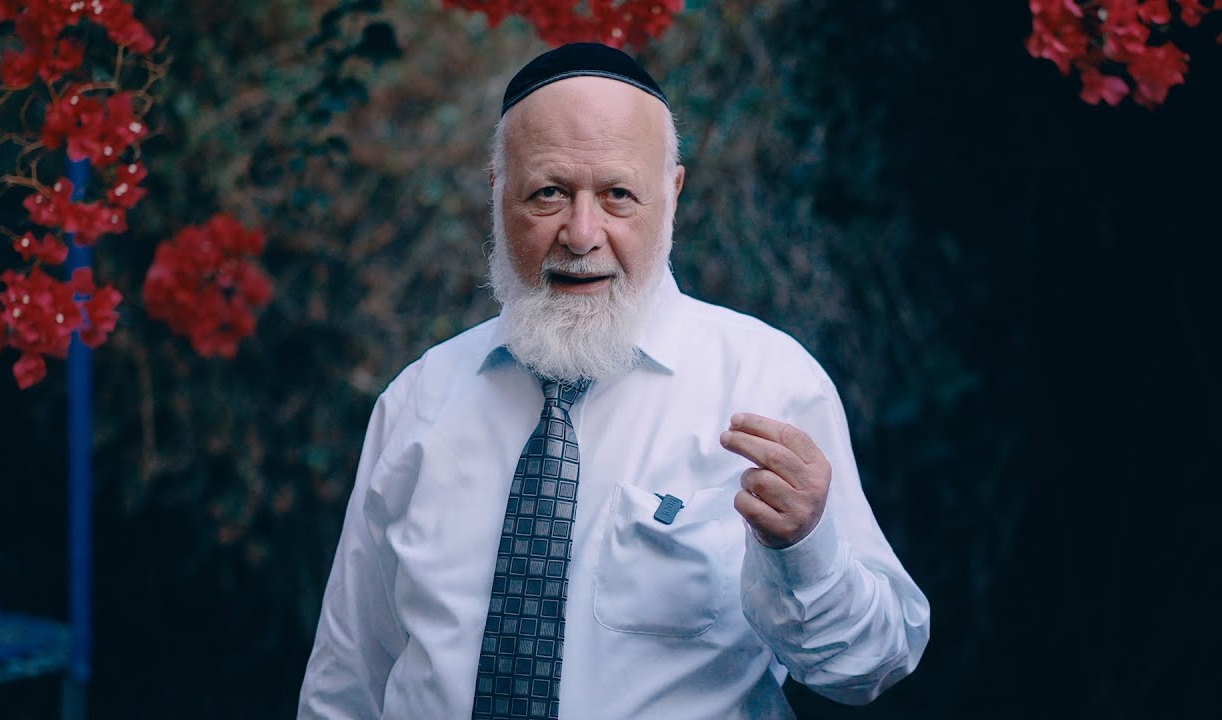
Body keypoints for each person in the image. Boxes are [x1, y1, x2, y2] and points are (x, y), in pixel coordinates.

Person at [297, 43, 929, 720]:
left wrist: (805, 549)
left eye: (617, 195)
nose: (581, 233)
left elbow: (871, 665)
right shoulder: (418, 399)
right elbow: (347, 682)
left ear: (672, 193)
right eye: (548, 193)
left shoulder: (768, 384)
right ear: (497, 189)